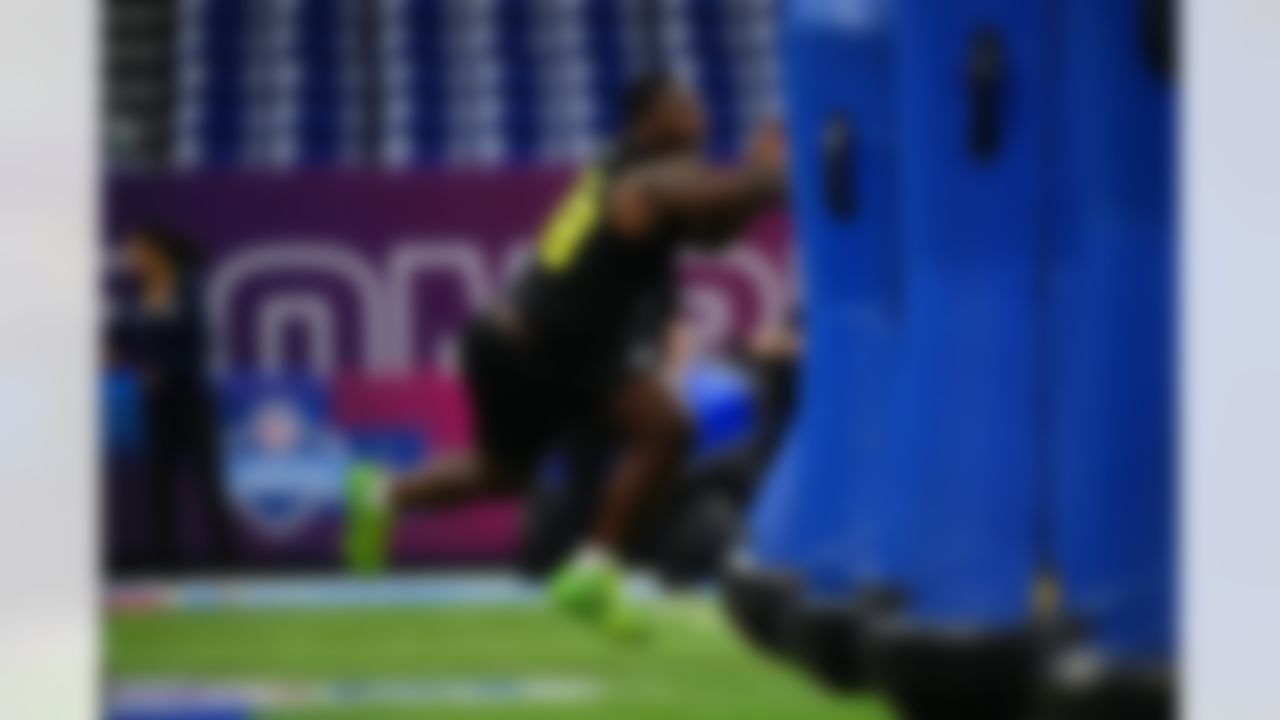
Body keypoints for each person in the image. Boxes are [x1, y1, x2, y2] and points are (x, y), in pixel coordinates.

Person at [343, 73, 787, 637]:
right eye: (682, 109)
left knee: (505, 472)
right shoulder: (641, 179)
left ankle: (382, 492)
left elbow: (714, 233)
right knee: (661, 430)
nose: (698, 119)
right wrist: (767, 177)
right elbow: (706, 197)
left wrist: (757, 183)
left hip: (559, 349)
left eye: (698, 107)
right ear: (645, 123)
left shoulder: (656, 178)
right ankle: (591, 570)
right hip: (530, 346)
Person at [109, 226, 235, 574]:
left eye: (138, 251)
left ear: (157, 253)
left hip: (192, 399)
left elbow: (199, 343)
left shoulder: (188, 288)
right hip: (157, 403)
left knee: (209, 480)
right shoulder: (136, 295)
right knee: (160, 482)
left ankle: (230, 562)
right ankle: (165, 563)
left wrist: (164, 370)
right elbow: (121, 340)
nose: (132, 259)